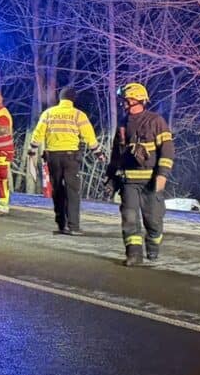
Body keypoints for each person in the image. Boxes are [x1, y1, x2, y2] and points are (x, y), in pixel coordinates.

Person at [107, 83, 175, 266]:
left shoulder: (156, 121)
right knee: (129, 218)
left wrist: (162, 175)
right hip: (129, 181)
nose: (123, 104)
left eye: (125, 100)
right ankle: (134, 255)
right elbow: (116, 153)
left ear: (134, 99)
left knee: (153, 221)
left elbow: (167, 150)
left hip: (151, 181)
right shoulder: (123, 124)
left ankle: (153, 244)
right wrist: (111, 178)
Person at [29, 87, 98, 234]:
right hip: (71, 156)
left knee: (57, 190)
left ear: (60, 98)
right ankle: (73, 226)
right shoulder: (78, 115)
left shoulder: (48, 113)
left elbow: (38, 133)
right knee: (72, 191)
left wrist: (33, 148)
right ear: (73, 99)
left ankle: (61, 224)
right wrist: (97, 152)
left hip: (53, 156)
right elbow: (89, 135)